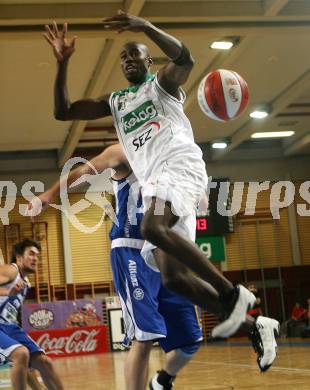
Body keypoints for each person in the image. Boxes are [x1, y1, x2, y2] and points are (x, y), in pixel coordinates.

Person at [43, 11, 279, 347]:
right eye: (122, 57)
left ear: (148, 60)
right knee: (174, 278)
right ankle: (256, 326)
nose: (126, 60)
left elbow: (185, 57)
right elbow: (63, 111)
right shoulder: (116, 101)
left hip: (180, 166)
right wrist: (62, 63)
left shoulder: (162, 85)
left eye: (133, 54)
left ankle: (232, 293)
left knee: (152, 227)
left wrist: (145, 26)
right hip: (157, 180)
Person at [30, 144, 279, 375]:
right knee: (144, 337)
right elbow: (85, 169)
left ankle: (253, 326)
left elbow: (201, 201)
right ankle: (234, 301)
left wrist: (193, 196)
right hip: (131, 249)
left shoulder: (171, 154)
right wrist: (50, 194)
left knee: (190, 337)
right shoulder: (123, 150)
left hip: (162, 247)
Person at [0, 239, 64, 390]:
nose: (35, 258)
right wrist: (7, 292)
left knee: (44, 362)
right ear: (19, 257)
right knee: (21, 354)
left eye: (37, 255)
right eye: (31, 254)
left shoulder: (25, 282)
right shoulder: (11, 270)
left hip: (9, 326)